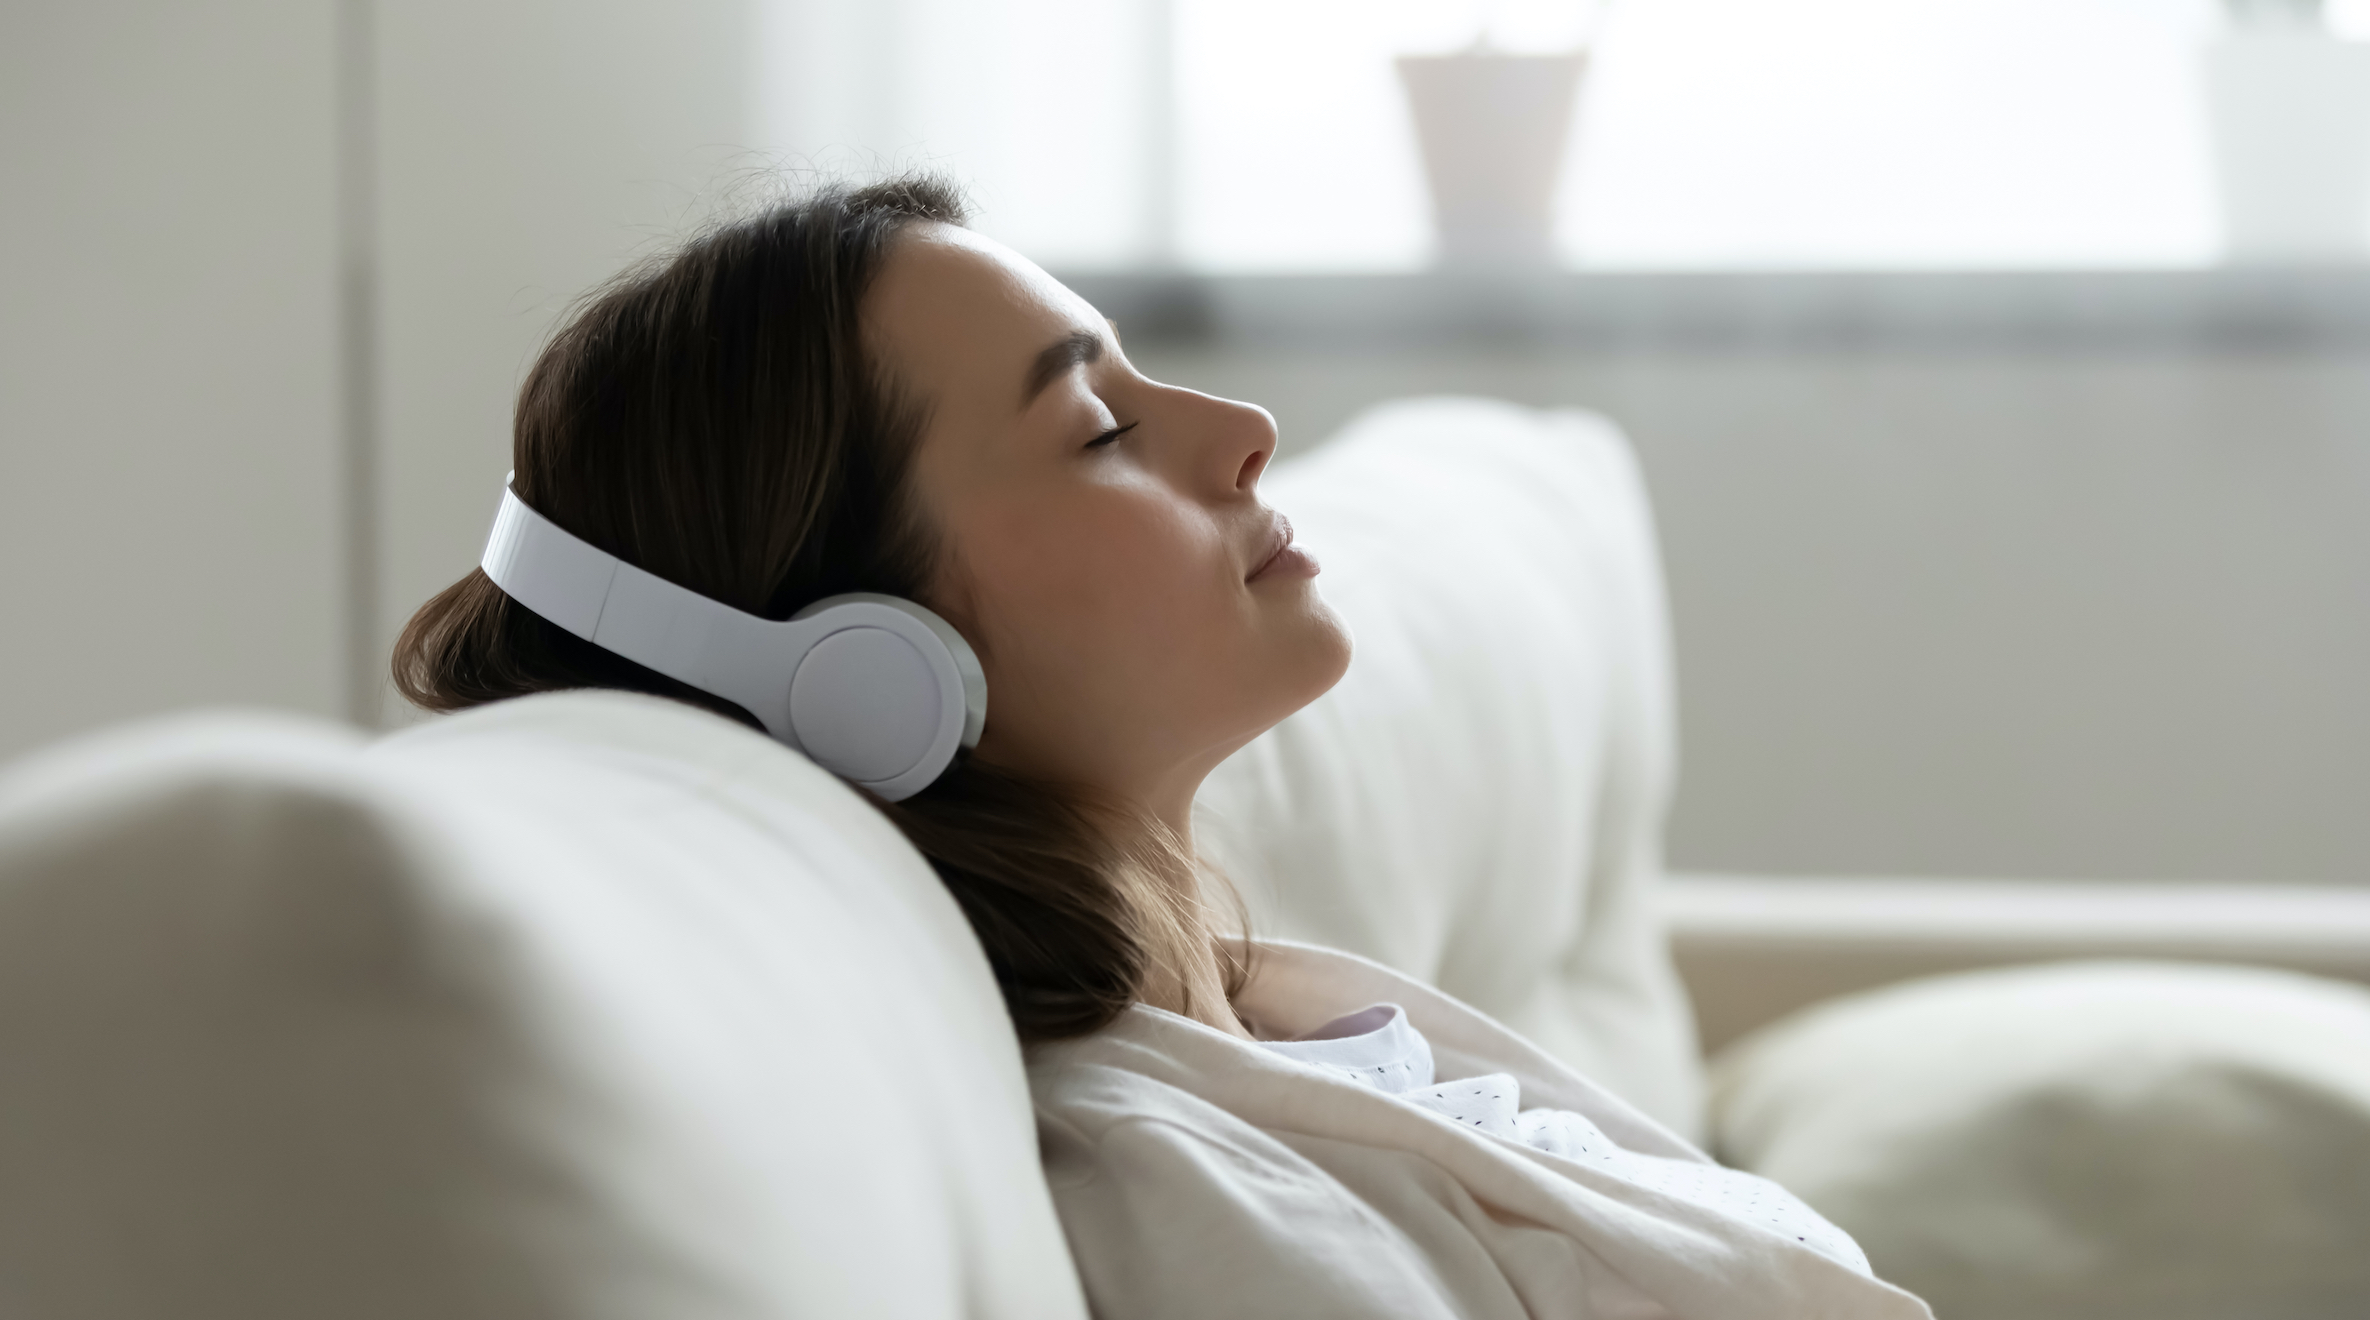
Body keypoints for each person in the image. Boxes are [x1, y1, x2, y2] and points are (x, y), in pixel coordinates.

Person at [394, 176, 1928, 1319]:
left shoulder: (1280, 1029)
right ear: (867, 675)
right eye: (1099, 431)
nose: (1240, 425)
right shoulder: (1185, 1211)